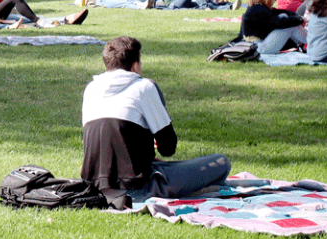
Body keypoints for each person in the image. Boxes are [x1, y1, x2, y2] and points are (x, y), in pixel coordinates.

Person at [80, 36, 231, 209]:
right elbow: (168, 148)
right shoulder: (144, 87)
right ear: (135, 65)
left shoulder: (91, 89)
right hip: (138, 189)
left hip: (94, 188)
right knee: (221, 163)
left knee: (166, 166)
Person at [238, 0, 305, 56]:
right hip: (258, 47)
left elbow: (280, 12)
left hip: (258, 44)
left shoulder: (257, 7)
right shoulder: (258, 9)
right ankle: (310, 42)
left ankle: (308, 42)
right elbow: (281, 23)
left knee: (285, 17)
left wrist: (299, 17)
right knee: (288, 25)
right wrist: (300, 19)